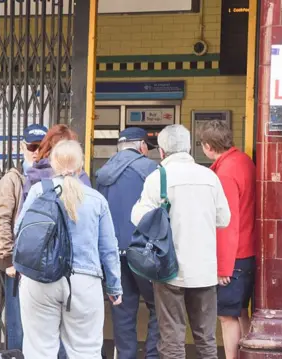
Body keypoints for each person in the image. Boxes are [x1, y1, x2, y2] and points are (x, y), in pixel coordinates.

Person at [16, 140, 123, 359]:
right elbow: (109, 248)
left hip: (39, 280)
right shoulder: (96, 199)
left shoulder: (38, 191)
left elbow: (19, 229)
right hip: (84, 282)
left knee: (39, 350)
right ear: (80, 165)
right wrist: (114, 287)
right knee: (85, 351)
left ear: (53, 163)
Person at [131, 124, 231, 359]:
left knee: (172, 336)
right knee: (206, 338)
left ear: (162, 151)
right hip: (205, 270)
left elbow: (138, 217)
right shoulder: (210, 176)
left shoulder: (158, 178)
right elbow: (224, 219)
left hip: (170, 269)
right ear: (188, 148)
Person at [95, 127, 160, 359]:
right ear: (142, 146)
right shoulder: (152, 169)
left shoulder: (102, 173)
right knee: (158, 308)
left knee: (122, 310)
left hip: (113, 253)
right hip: (145, 252)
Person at [199, 120, 257, 359]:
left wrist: (224, 267)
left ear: (208, 147)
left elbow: (227, 222)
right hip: (248, 250)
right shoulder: (244, 161)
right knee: (241, 311)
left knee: (226, 315)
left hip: (235, 255)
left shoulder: (225, 172)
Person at [0, 123, 48, 351]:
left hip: (45, 264)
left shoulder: (51, 177)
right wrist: (7, 259)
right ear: (23, 148)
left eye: (42, 147)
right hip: (18, 264)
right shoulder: (12, 180)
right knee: (19, 325)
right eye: (32, 147)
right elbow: (2, 219)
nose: (36, 152)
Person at [23, 124, 92, 202]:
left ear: (45, 147)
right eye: (32, 147)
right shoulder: (80, 176)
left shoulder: (33, 175)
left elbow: (24, 212)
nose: (35, 151)